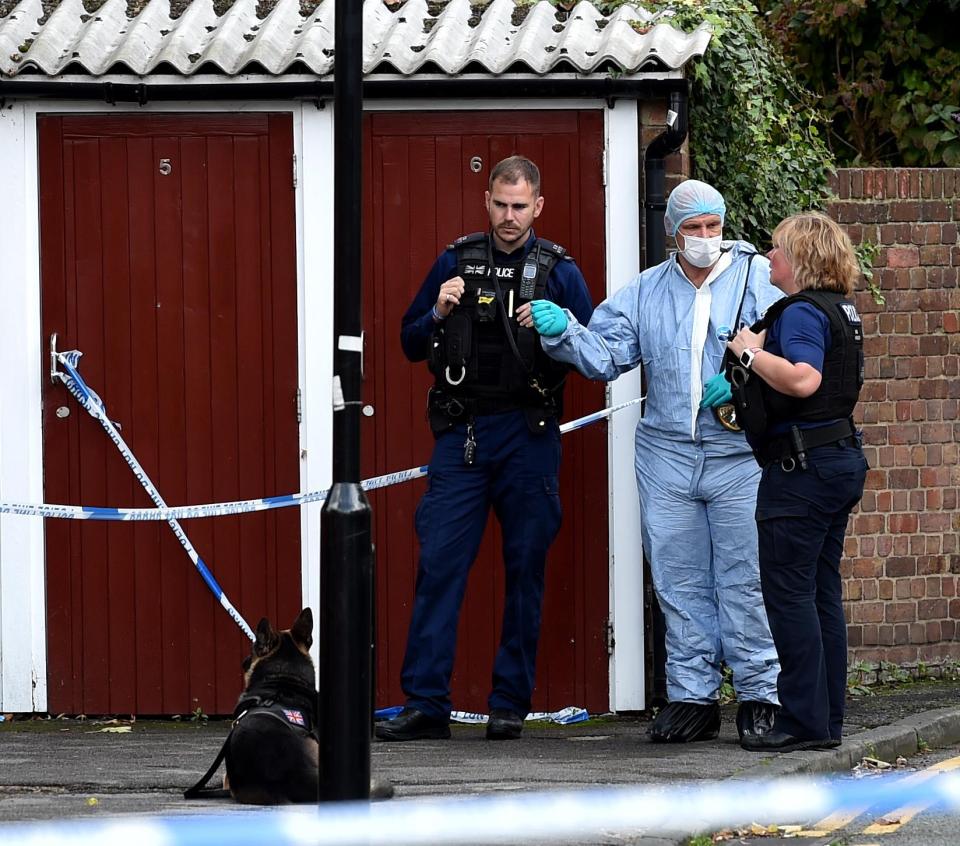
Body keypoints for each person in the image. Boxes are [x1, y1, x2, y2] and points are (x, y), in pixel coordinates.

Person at [521, 179, 781, 743]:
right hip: (666, 452)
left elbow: (791, 342)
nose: (707, 238)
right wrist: (564, 331)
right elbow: (607, 355)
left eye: (714, 227)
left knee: (745, 576)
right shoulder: (645, 292)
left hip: (740, 453)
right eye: (694, 229)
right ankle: (693, 696)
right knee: (678, 577)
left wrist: (743, 380)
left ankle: (762, 694)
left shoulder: (758, 277)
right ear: (673, 233)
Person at [376, 156, 594, 742]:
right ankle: (425, 703)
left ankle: (508, 705)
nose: (508, 217)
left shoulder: (558, 271)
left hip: (529, 436)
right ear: (487, 201)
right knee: (440, 565)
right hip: (463, 436)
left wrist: (560, 325)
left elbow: (596, 354)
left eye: (520, 206)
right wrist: (439, 310)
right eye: (500, 204)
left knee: (526, 572)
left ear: (538, 206)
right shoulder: (456, 260)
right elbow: (408, 340)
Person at [722, 211, 868, 752]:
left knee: (790, 596)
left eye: (777, 249)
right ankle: (826, 719)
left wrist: (749, 353)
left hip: (801, 471)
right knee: (821, 592)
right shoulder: (840, 309)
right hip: (837, 460)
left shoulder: (803, 313)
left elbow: (805, 379)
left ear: (801, 258)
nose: (768, 258)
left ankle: (802, 720)